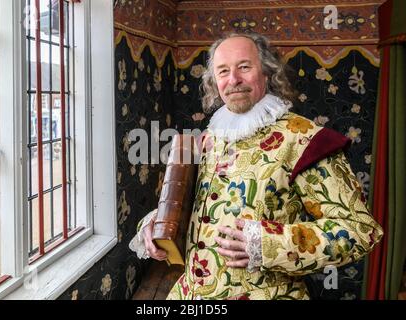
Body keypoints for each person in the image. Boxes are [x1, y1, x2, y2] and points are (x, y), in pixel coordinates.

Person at [129, 33, 383, 300]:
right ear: (215, 82)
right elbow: (198, 213)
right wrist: (158, 224)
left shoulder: (305, 139)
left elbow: (359, 229)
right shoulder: (205, 139)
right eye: (223, 71)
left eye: (244, 67)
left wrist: (268, 244)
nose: (234, 80)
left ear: (267, 73)